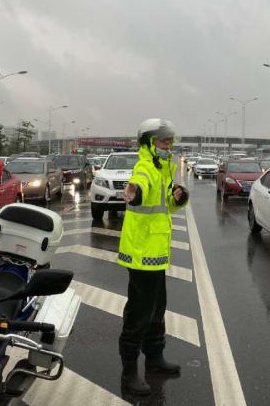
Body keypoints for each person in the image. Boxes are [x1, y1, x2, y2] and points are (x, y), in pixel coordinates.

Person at [117, 118, 189, 395]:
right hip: (140, 253)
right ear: (148, 142)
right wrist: (134, 194)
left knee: (157, 310)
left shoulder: (164, 169)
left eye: (170, 140)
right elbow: (138, 187)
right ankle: (129, 373)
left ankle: (155, 359)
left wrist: (179, 196)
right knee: (139, 315)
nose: (168, 144)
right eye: (163, 140)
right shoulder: (145, 167)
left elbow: (167, 205)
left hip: (157, 253)